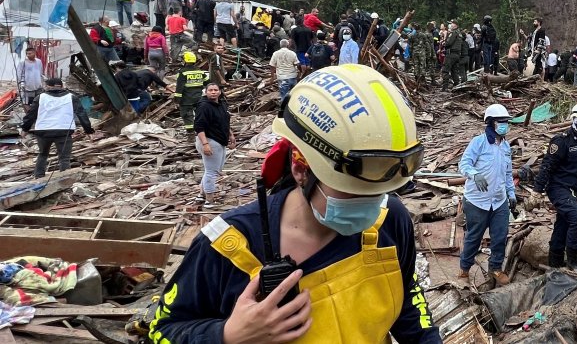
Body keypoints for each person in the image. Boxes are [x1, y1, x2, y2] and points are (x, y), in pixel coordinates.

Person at [147, 65, 440, 344]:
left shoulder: (390, 220)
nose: (372, 206)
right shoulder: (228, 247)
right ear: (301, 168)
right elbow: (162, 331)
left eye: (380, 192)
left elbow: (409, 306)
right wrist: (227, 335)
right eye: (353, 191)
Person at [531, 101, 577, 268]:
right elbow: (547, 166)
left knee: (563, 224)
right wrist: (537, 191)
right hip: (559, 189)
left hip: (574, 190)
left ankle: (555, 264)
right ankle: (574, 262)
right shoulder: (561, 142)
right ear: (575, 120)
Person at [458, 104, 516, 286]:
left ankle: (496, 268)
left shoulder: (506, 146)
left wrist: (511, 193)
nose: (504, 125)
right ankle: (464, 268)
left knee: (500, 235)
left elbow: (508, 173)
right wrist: (474, 174)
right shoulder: (478, 142)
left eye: (506, 122)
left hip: (499, 201)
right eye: (501, 122)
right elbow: (464, 164)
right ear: (491, 123)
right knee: (474, 237)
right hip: (477, 201)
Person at [21, 77, 93, 178]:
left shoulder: (40, 97)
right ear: (62, 86)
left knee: (43, 154)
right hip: (64, 131)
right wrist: (88, 131)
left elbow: (31, 114)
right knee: (64, 158)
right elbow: (82, 114)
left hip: (43, 131)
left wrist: (25, 129)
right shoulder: (72, 97)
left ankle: (38, 176)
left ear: (48, 86)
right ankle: (65, 179)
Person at [193, 82, 234, 208]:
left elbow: (224, 121)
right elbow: (199, 127)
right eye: (210, 90)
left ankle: (201, 194)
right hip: (210, 140)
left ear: (219, 92)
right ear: (206, 92)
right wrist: (205, 144)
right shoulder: (204, 106)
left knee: (212, 169)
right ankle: (209, 200)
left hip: (220, 139)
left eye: (215, 90)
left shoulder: (221, 104)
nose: (213, 92)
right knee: (212, 172)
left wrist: (231, 134)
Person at [174, 51, 209, 131]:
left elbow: (179, 87)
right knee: (199, 115)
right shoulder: (199, 71)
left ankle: (191, 135)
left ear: (185, 61)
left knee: (187, 116)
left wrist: (177, 99)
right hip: (199, 98)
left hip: (186, 100)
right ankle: (202, 131)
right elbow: (208, 83)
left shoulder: (183, 72)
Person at [441, 23, 467, 89]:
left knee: (445, 70)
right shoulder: (460, 34)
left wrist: (444, 43)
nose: (451, 26)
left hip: (450, 54)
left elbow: (449, 43)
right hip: (457, 55)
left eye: (452, 25)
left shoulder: (454, 33)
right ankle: (456, 85)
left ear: (455, 26)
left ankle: (445, 87)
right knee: (454, 70)